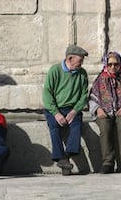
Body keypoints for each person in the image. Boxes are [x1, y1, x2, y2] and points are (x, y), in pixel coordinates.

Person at [89, 52, 121, 174]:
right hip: (104, 112)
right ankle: (108, 162)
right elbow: (92, 97)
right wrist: (97, 109)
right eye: (110, 64)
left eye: (115, 64)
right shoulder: (100, 79)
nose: (113, 67)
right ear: (106, 64)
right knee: (105, 128)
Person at [42, 44, 89, 175]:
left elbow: (84, 95)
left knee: (76, 127)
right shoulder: (55, 70)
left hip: (72, 108)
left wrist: (75, 111)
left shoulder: (82, 73)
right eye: (79, 60)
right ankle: (61, 158)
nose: (82, 63)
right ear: (69, 58)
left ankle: (65, 157)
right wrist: (56, 113)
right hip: (55, 107)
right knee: (54, 127)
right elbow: (47, 94)